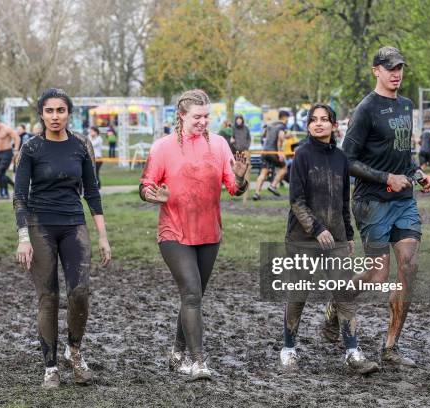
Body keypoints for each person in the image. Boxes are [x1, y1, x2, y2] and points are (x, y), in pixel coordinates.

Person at [139, 89, 248, 381]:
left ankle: (177, 351)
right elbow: (145, 185)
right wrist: (154, 197)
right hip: (174, 231)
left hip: (209, 232)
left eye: (206, 116)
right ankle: (198, 362)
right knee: (190, 292)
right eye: (197, 117)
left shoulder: (220, 145)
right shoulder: (162, 147)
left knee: (194, 297)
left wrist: (240, 176)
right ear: (182, 116)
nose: (203, 122)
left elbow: (235, 189)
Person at [339, 46, 430, 368]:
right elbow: (347, 161)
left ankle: (391, 348)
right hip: (371, 201)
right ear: (376, 70)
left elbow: (404, 155)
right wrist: (386, 177)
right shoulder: (365, 109)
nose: (397, 73)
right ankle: (340, 300)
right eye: (390, 68)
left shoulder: (406, 106)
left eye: (400, 68)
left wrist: (417, 173)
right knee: (379, 276)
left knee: (408, 268)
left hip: (403, 200)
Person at [14, 88, 112, 389]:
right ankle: (51, 367)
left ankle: (75, 351)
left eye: (61, 110)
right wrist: (23, 238)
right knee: (49, 297)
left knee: (80, 292)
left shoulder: (82, 144)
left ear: (69, 113)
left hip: (73, 225)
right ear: (41, 114)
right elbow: (19, 196)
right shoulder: (30, 148)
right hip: (40, 226)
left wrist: (102, 236)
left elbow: (92, 192)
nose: (55, 116)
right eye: (49, 111)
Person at [281, 104, 379, 374]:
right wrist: (317, 229)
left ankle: (352, 353)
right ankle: (289, 348)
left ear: (334, 125)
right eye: (314, 120)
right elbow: (296, 201)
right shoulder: (301, 155)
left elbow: (342, 202)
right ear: (308, 125)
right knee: (298, 293)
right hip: (302, 238)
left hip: (335, 239)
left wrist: (347, 236)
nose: (319, 124)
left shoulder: (340, 158)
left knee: (344, 294)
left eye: (325, 120)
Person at [253, 111, 289, 200]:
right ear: (284, 118)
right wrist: (280, 152)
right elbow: (280, 138)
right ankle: (273, 186)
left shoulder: (270, 124)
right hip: (274, 152)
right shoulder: (282, 125)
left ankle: (256, 193)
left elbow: (263, 135)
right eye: (287, 118)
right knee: (284, 168)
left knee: (263, 173)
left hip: (265, 151)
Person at [0, 117, 20, 199]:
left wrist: (16, 150)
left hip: (7, 153)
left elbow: (17, 138)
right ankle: (11, 187)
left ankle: (5, 193)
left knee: (0, 172)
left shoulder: (6, 128)